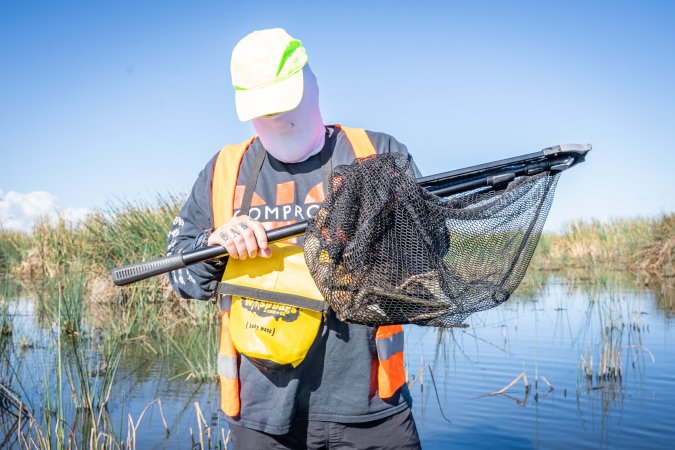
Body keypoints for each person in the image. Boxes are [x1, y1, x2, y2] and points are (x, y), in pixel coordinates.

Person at [166, 28, 422, 449]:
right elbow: (181, 276)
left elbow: (428, 256)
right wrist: (214, 245)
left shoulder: (377, 153)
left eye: (284, 103)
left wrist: (379, 230)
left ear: (311, 84)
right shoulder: (224, 171)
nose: (279, 119)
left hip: (372, 409)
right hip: (263, 418)